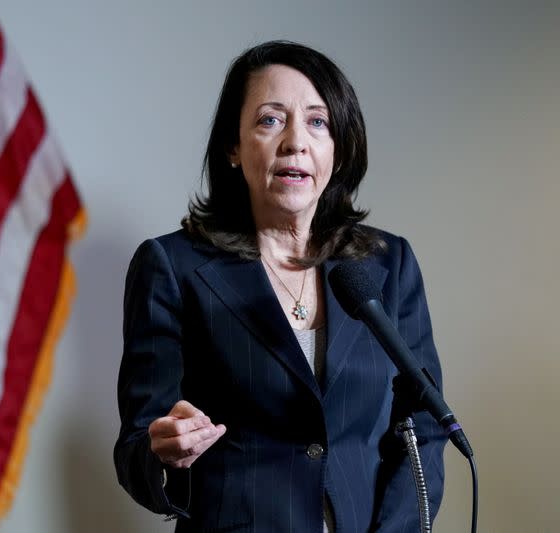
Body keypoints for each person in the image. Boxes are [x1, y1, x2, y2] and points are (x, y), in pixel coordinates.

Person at [114, 40, 447, 532]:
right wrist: (163, 454)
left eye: (318, 122)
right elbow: (137, 445)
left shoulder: (388, 263)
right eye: (271, 120)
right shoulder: (172, 266)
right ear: (233, 146)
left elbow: (423, 426)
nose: (297, 141)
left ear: (339, 145)